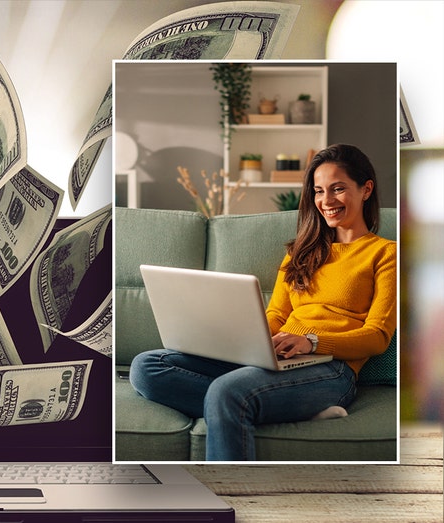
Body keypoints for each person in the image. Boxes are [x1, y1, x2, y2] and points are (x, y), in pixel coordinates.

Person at [129, 143, 397, 461]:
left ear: (366, 189)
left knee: (226, 391)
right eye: (319, 191)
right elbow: (276, 314)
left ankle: (232, 495)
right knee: (146, 367)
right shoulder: (301, 252)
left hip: (331, 369)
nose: (326, 201)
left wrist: (311, 342)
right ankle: (282, 410)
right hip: (274, 356)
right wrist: (245, 342)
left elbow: (377, 337)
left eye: (338, 189)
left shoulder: (385, 253)